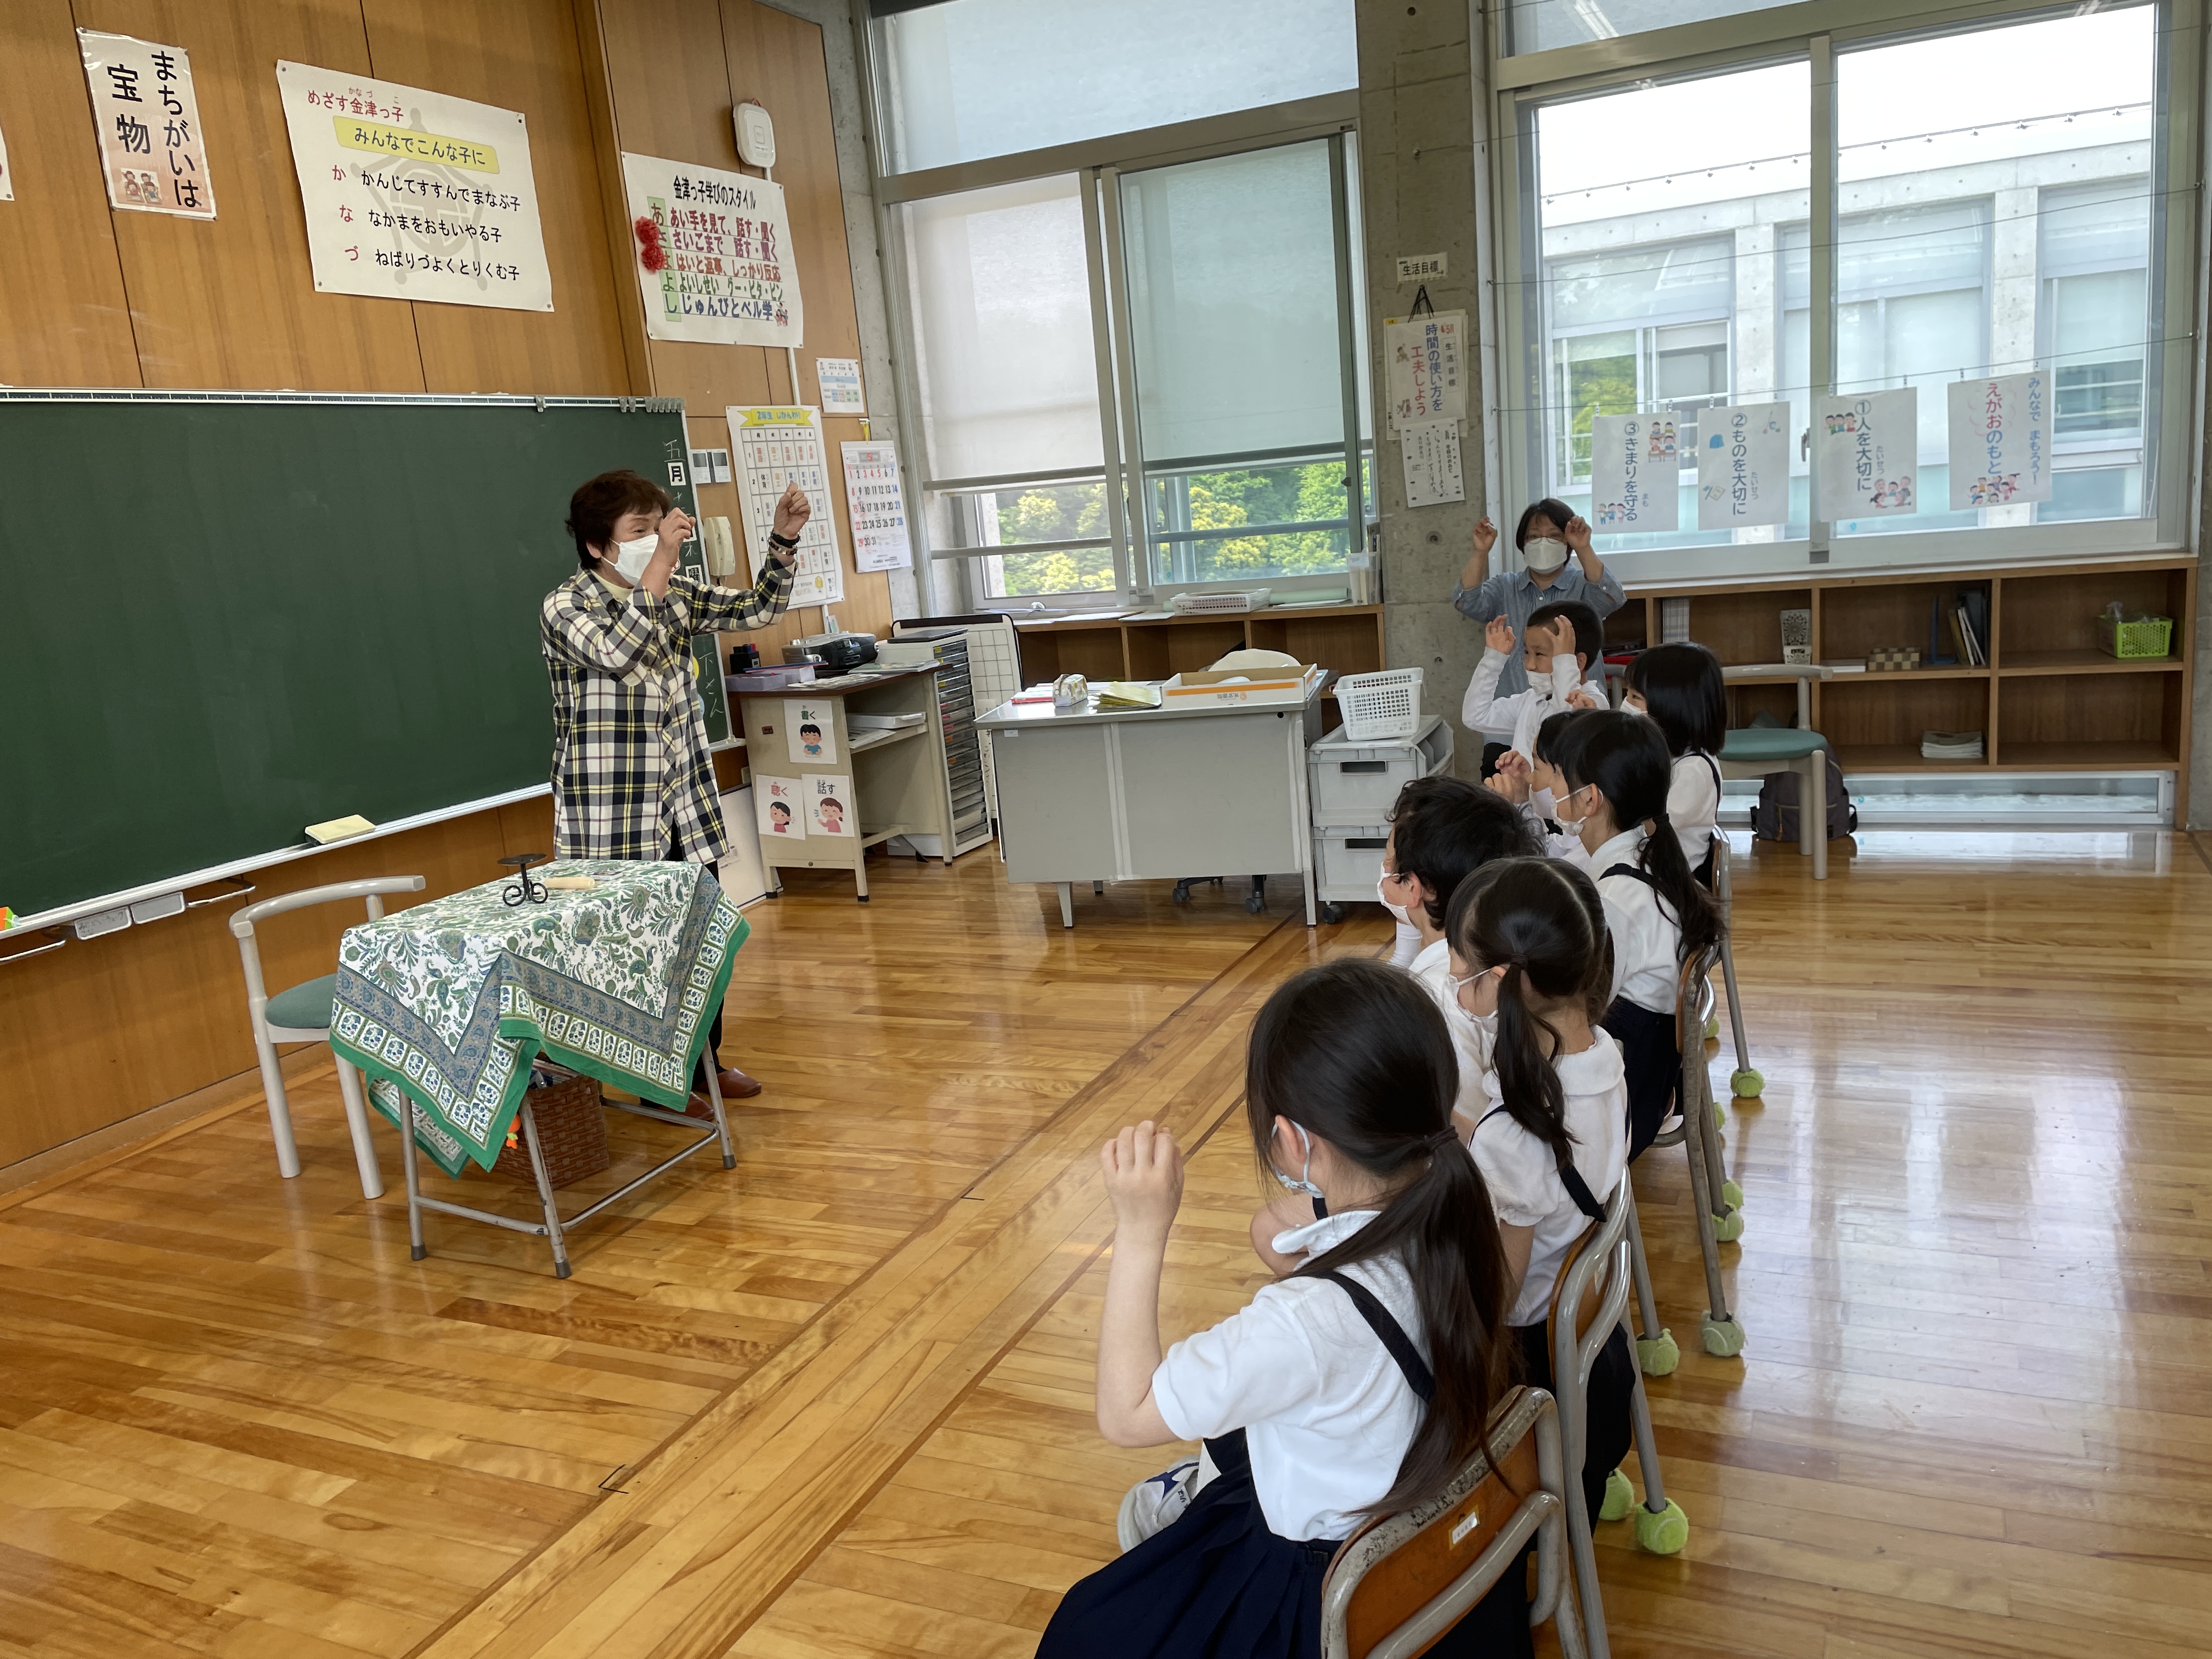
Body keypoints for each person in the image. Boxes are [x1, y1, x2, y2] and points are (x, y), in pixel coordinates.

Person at [1037, 959, 1527, 1659]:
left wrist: (1140, 1230)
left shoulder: (1305, 1321)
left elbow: (1126, 1413)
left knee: (1085, 1629)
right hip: (1419, 1524)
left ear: (1295, 1142)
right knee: (1236, 1439)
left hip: (1320, 1591)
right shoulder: (1461, 1187)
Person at [542, 468, 811, 1104]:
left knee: (702, 945)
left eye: (657, 527)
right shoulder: (567, 607)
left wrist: (782, 541)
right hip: (612, 819)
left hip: (685, 806)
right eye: (639, 531)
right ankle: (640, 1077)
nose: (655, 540)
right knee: (632, 953)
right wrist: (661, 564)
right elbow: (620, 652)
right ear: (596, 545)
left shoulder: (678, 591)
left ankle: (702, 1067)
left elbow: (759, 609)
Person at [1443, 856, 1632, 1522]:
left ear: (1501, 981)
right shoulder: (1605, 1057)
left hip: (1529, 1371)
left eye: (1462, 974)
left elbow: (1500, 1295)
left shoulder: (1517, 1135)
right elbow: (1534, 1159)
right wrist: (1463, 1130)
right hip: (1587, 1349)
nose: (1455, 989)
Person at [1554, 713, 1723, 1158]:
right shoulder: (1650, 857)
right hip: (1648, 1086)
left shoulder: (1615, 899)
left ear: (1589, 798)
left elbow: (1581, 1016)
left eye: (1557, 777)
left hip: (1623, 1112)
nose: (1551, 789)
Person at [1375, 777, 1538, 1126]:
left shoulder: (1437, 997)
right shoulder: (1520, 951)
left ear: (1415, 888)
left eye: (1389, 862)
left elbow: (1464, 1131)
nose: (1384, 871)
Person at [1453, 499, 1626, 707]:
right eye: (1534, 536)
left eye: (1554, 536)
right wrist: (1480, 552)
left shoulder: (1584, 585)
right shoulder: (1505, 587)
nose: (1544, 543)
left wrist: (1583, 548)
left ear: (1567, 542)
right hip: (1513, 715)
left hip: (1577, 713)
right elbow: (1466, 602)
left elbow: (1612, 599)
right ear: (1523, 543)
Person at [1461, 598, 1606, 772]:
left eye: (1540, 654)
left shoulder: (1594, 704)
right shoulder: (1531, 701)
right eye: (1526, 652)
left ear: (1577, 662)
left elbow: (1566, 723)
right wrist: (1493, 659)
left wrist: (1565, 661)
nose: (1529, 665)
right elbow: (1475, 716)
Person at [1623, 643, 1726, 881]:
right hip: (1650, 866)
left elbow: (1651, 828)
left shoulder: (1695, 770)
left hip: (1672, 882)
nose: (1626, 704)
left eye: (1635, 697)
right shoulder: (1667, 754)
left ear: (1671, 709)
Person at [1489, 708, 1601, 870]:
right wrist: (1521, 803)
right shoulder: (1580, 830)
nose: (1530, 779)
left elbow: (1541, 870)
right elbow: (1547, 851)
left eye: (1537, 768)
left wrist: (1506, 816)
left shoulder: (1589, 859)